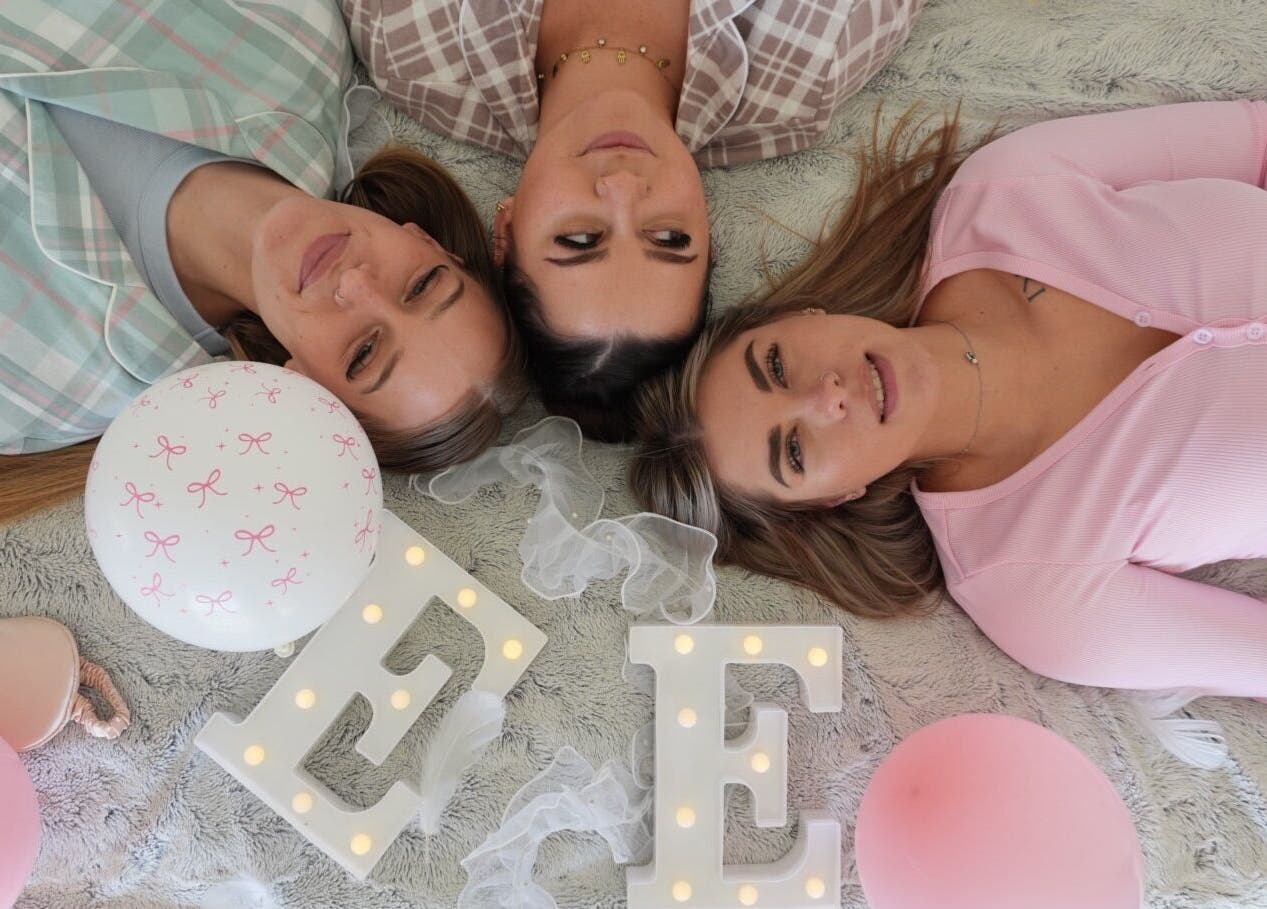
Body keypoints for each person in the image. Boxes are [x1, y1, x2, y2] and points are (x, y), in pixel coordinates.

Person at [631, 100, 1267, 696]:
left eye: (776, 364)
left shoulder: (1005, 189)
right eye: (794, 451)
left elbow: (1253, 138)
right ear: (836, 497)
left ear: (802, 313)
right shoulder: (1029, 587)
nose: (827, 396)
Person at [0, 0, 525, 525]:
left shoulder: (49, 383)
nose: (358, 285)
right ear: (429, 241)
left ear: (301, 388)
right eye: (422, 285)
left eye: (363, 354)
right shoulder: (296, 33)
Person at [341, 0, 924, 440]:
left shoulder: (412, 47)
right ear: (710, 232)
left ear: (505, 229)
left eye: (580, 237)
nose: (622, 185)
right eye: (670, 238)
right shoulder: (815, 60)